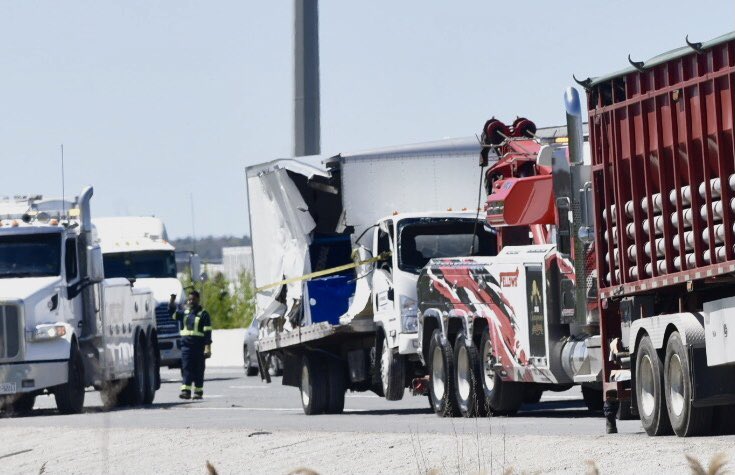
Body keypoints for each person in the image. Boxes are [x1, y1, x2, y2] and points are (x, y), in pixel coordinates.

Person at [169, 290, 212, 400]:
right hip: (186, 347)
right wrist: (172, 302)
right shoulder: (185, 312)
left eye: (193, 299)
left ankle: (198, 392)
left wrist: (207, 348)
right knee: (186, 368)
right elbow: (172, 315)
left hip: (199, 347)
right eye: (189, 299)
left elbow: (207, 332)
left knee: (198, 369)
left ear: (198, 300)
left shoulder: (204, 314)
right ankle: (186, 391)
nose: (191, 301)